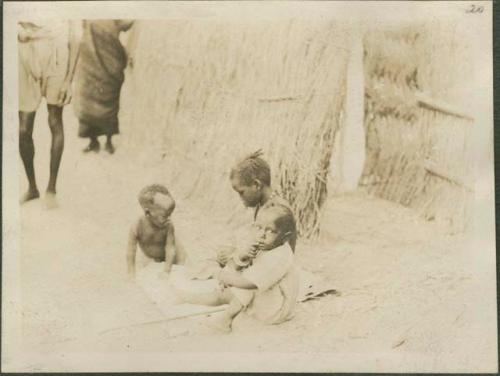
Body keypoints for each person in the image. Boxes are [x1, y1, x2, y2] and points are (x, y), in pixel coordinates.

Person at [206, 205, 299, 332]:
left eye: (270, 231)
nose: (261, 235)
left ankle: (226, 319)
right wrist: (244, 255)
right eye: (259, 227)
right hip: (268, 298)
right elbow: (242, 264)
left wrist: (226, 277)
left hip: (277, 310)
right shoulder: (267, 245)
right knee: (242, 274)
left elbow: (251, 283)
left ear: (285, 237)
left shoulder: (280, 256)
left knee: (246, 283)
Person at [18, 21, 80, 208]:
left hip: (57, 54)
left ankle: (51, 189)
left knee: (55, 120)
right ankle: (32, 187)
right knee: (23, 129)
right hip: (26, 53)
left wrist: (69, 80)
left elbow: (76, 38)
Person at [216, 150, 297, 266]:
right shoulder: (262, 205)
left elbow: (272, 256)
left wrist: (234, 256)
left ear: (256, 185)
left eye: (241, 192)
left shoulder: (278, 210)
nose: (240, 198)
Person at [74, 20, 137, 154]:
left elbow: (127, 23)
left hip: (111, 59)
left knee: (109, 99)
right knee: (88, 99)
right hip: (90, 60)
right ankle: (93, 141)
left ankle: (109, 140)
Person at [127, 184, 187, 278]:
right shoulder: (137, 226)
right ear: (148, 213)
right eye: (164, 216)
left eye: (170, 214)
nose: (169, 218)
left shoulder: (168, 226)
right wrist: (131, 272)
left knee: (180, 274)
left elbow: (170, 249)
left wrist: (167, 271)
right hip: (150, 259)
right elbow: (131, 250)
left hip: (171, 260)